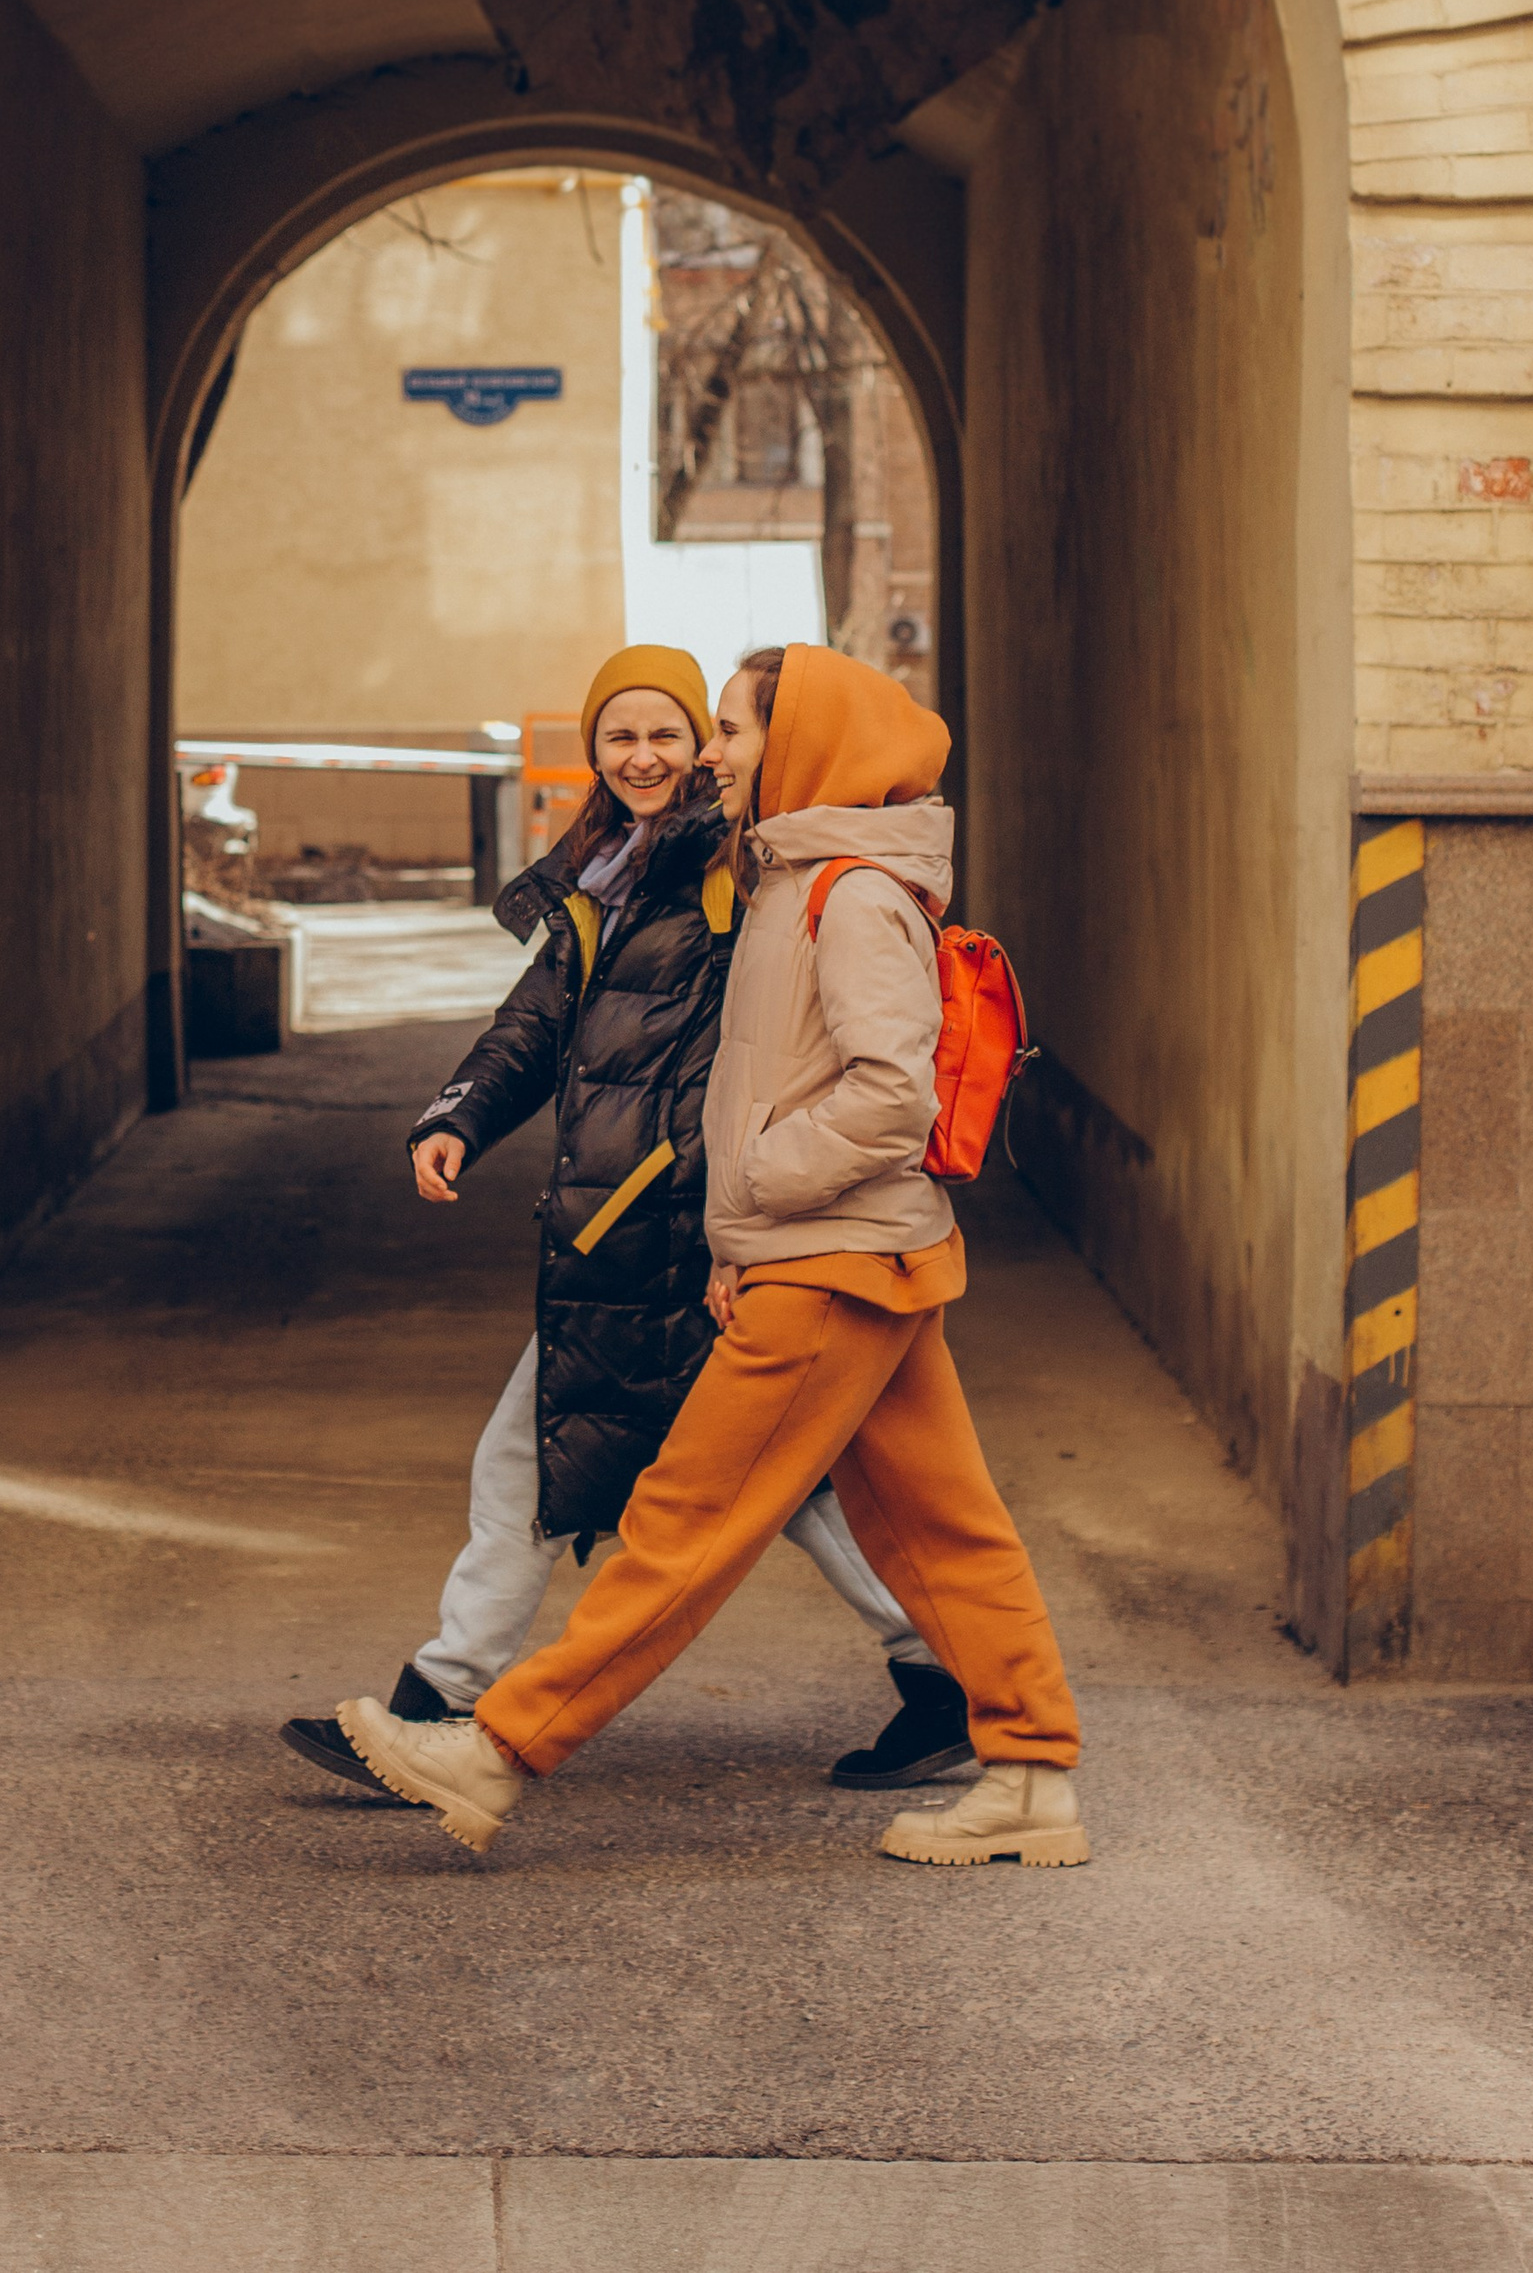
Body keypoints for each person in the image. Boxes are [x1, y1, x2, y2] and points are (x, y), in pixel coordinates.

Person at [335, 640, 1089, 1871]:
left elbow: (889, 1097)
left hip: (833, 1252)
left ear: (799, 743)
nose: (708, 754)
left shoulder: (840, 893)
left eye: (728, 731)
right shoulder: (797, 878)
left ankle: (495, 1747)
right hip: (844, 1250)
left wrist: (752, 1194)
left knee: (684, 1520)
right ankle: (1029, 1771)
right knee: (945, 1526)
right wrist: (734, 1226)